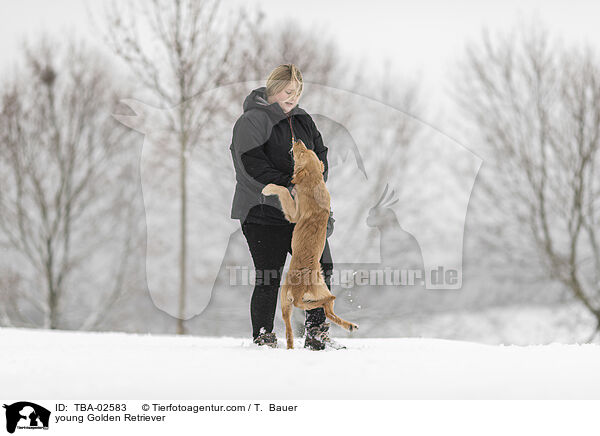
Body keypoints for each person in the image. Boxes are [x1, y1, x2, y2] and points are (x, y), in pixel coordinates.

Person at [230, 64, 341, 350]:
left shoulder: (304, 120)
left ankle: (316, 331)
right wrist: (289, 185)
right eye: (289, 90)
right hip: (262, 213)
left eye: (298, 91)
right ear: (274, 88)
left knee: (319, 266)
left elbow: (320, 157)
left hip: (302, 215)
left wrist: (313, 188)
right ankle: (265, 336)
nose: (294, 96)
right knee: (269, 274)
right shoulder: (251, 121)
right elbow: (250, 165)